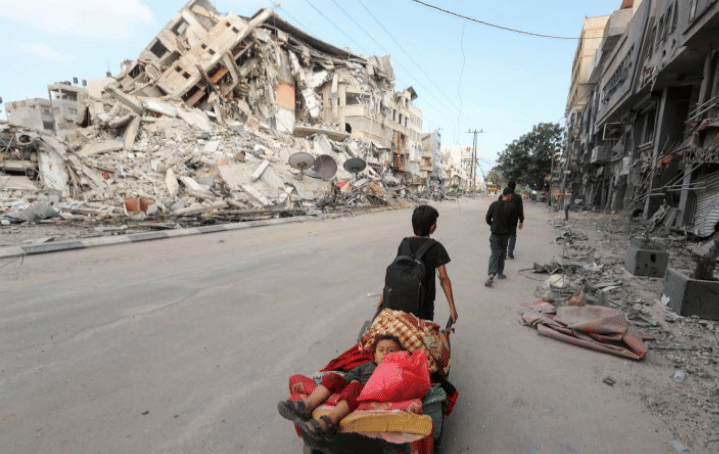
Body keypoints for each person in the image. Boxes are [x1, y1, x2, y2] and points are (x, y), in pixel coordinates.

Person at [277, 336, 404, 437]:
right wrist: (353, 380)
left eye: (391, 351)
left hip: (364, 395)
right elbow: (349, 375)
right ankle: (307, 406)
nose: (385, 353)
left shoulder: (399, 370)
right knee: (333, 377)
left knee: (355, 388)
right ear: (375, 355)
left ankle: (330, 421)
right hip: (349, 389)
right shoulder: (367, 366)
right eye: (381, 350)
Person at [375, 205, 458, 324]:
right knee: (421, 332)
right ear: (432, 227)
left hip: (397, 303)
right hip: (423, 308)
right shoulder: (436, 248)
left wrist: (382, 298)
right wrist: (452, 308)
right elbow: (444, 278)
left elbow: (397, 271)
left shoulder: (404, 243)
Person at [485, 187, 517, 287]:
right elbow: (513, 223)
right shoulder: (512, 207)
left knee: (494, 254)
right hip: (505, 235)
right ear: (509, 195)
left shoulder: (494, 204)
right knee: (502, 254)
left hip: (495, 234)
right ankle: (499, 273)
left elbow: (487, 218)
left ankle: (491, 275)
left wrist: (493, 225)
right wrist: (510, 232)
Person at [505, 181, 524, 259]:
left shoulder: (504, 196)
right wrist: (521, 221)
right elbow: (520, 209)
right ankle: (510, 253)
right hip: (513, 219)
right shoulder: (518, 197)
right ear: (514, 187)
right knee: (512, 235)